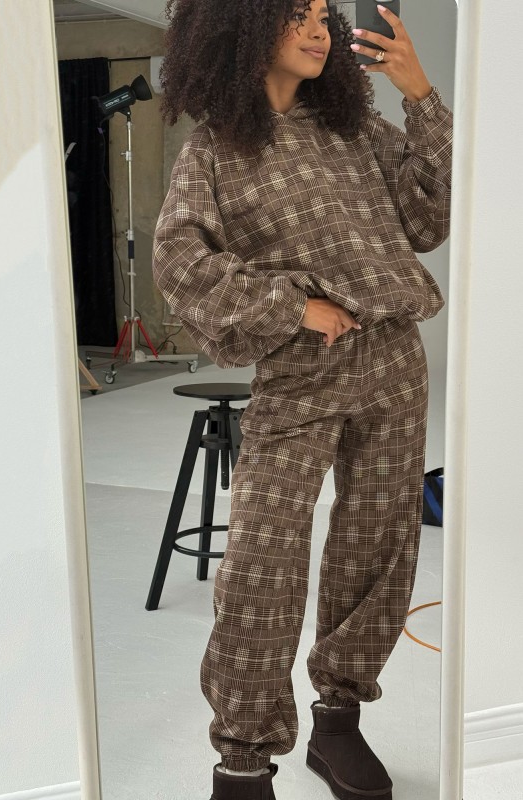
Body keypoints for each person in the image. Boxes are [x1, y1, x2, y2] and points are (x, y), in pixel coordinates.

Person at [152, 1, 452, 798]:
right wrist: (292, 307)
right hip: (301, 372)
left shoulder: (355, 130)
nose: (320, 31)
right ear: (243, 26)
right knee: (262, 562)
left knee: (378, 543)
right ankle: (242, 764)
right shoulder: (215, 152)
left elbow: (432, 219)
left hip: (394, 359)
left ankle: (338, 722)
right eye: (297, 16)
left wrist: (420, 94)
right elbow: (179, 263)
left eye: (323, 15)